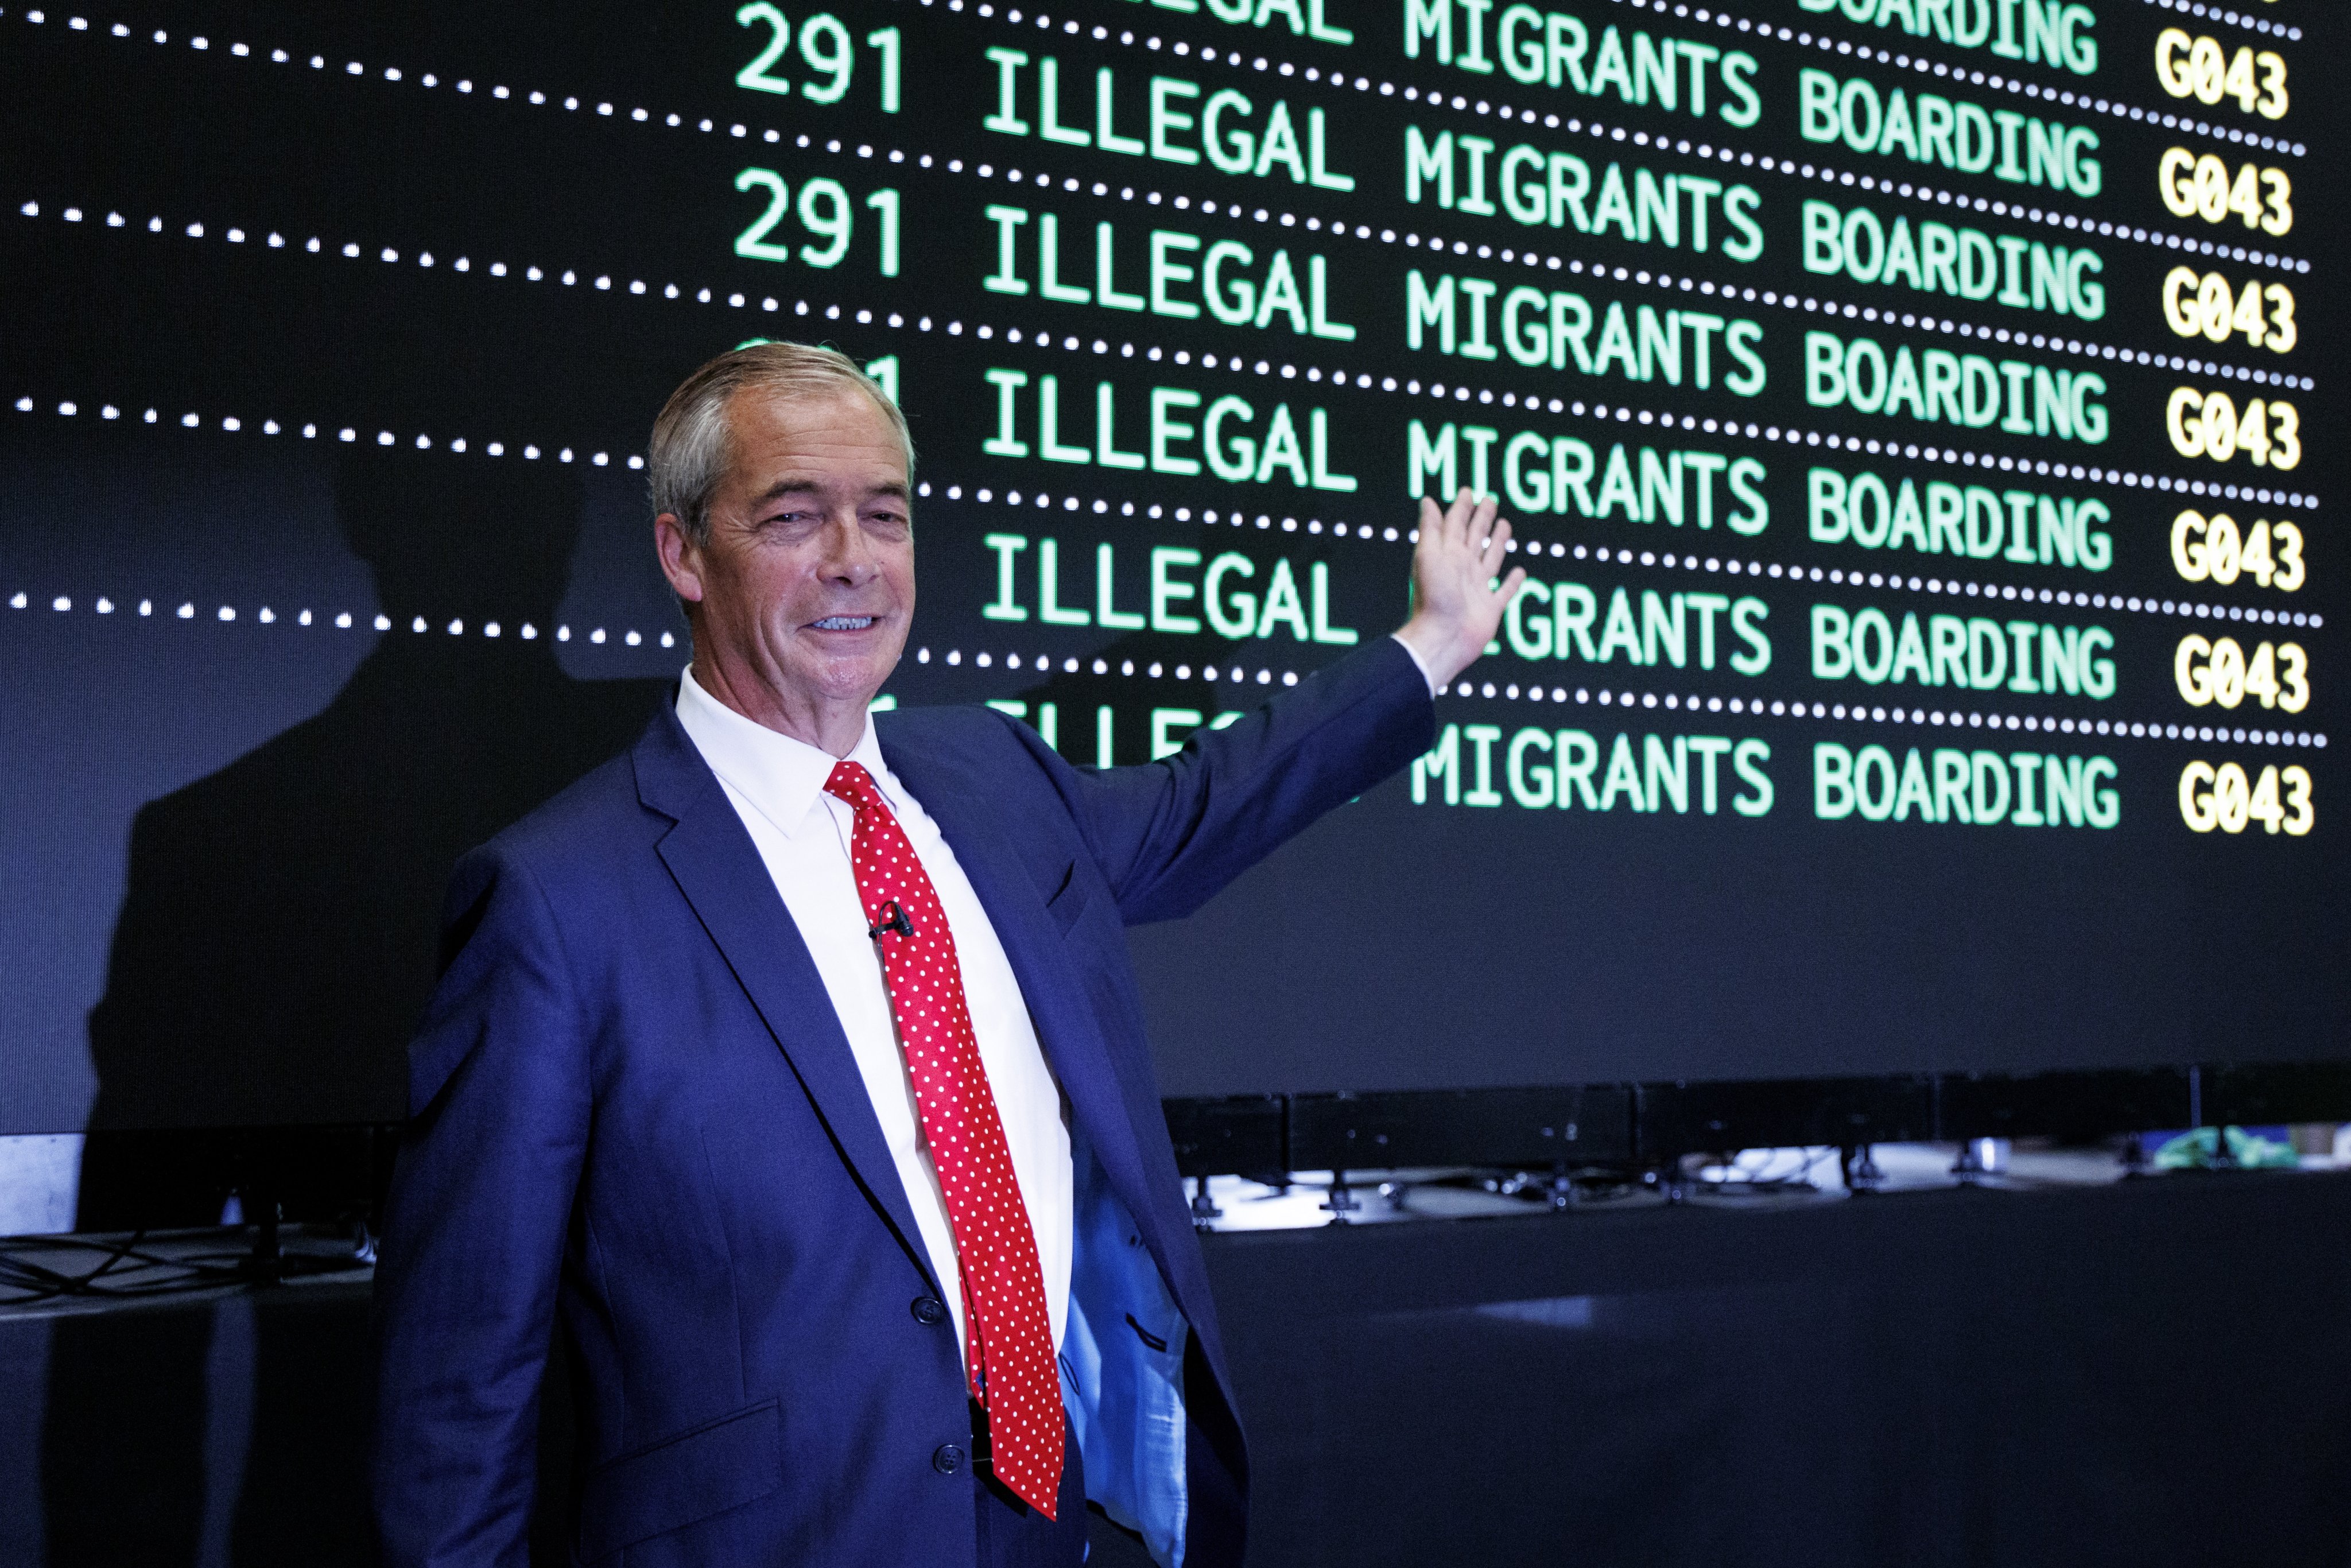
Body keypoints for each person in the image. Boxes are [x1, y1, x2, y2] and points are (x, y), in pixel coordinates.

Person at [371, 341, 1523, 1568]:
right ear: (681, 553)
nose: (853, 558)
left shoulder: (994, 781)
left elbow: (1206, 801)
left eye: (884, 515)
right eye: (793, 517)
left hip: (1048, 1521)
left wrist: (1431, 645)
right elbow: (458, 1388)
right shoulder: (554, 899)